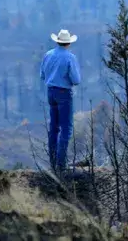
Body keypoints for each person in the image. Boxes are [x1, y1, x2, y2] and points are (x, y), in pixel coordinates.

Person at [40, 29, 81, 172]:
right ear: (68, 43)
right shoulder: (70, 58)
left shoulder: (47, 55)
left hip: (50, 92)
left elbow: (42, 75)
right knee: (66, 129)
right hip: (64, 93)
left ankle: (53, 163)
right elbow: (76, 80)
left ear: (57, 41)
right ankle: (61, 165)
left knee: (54, 128)